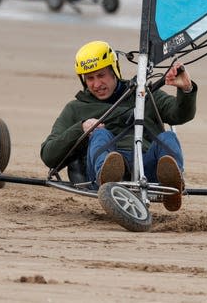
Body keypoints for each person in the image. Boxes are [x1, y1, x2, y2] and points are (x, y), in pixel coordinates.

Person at [40, 41, 197, 211]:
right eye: (90, 79)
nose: (96, 84)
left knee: (169, 137)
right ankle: (109, 179)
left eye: (101, 75)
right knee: (100, 134)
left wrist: (186, 90)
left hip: (147, 168)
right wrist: (81, 128)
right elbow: (49, 155)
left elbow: (181, 115)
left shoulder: (143, 94)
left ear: (115, 70)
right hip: (104, 167)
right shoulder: (76, 108)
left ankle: (172, 187)